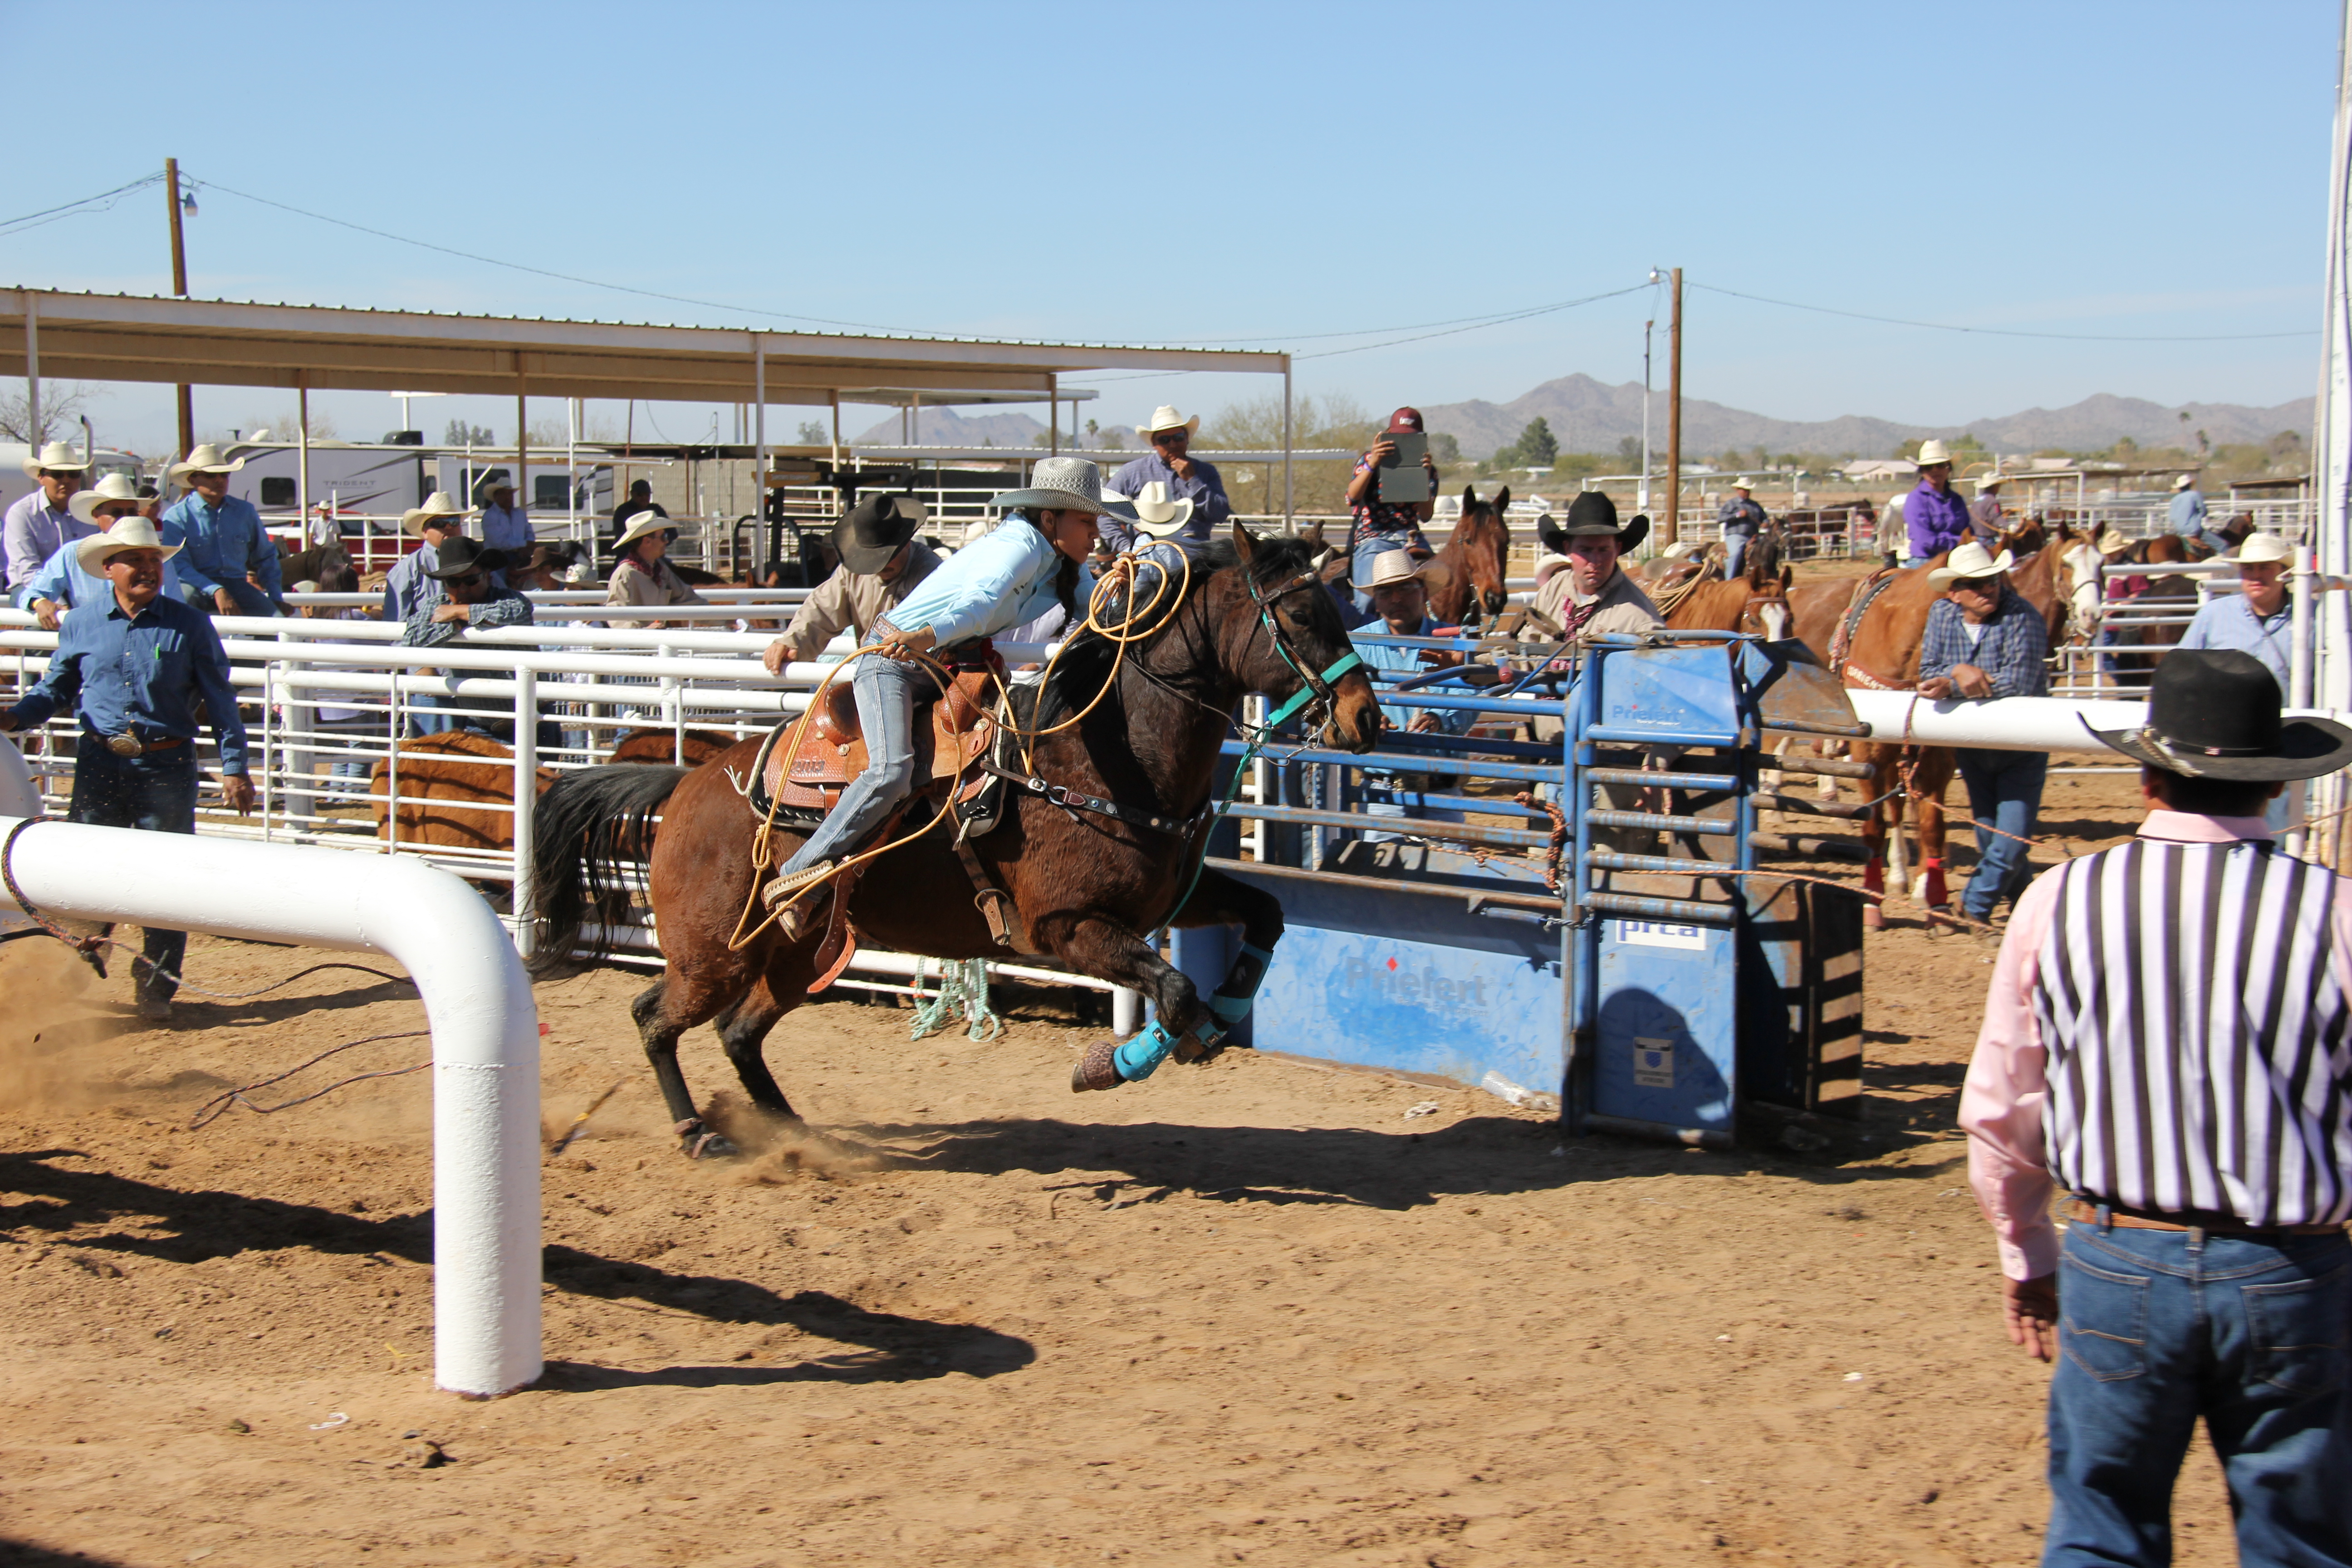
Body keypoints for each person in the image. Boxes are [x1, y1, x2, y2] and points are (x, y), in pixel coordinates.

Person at [1960, 647, 2352, 1568]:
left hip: (2118, 1252)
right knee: (2300, 1538)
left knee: (2103, 1526)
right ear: (2275, 787)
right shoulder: (2336, 913)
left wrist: (2026, 1248)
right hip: (2292, 1268)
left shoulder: (2061, 901)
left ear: (2147, 778)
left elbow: (2004, 1105)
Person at [761, 455, 1107, 939]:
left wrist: (1138, 584)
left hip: (938, 662)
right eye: (1087, 521)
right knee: (891, 770)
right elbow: (980, 602)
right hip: (894, 659)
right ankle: (797, 877)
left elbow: (1100, 606)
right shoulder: (1021, 546)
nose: (1096, 533)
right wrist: (928, 633)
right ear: (1051, 518)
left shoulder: (1061, 562)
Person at [0, 514, 256, 1021]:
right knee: (82, 873)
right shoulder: (81, 624)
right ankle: (75, 969)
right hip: (100, 760)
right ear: (109, 568)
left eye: (153, 560)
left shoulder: (190, 624)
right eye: (135, 560)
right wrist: (12, 716)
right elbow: (56, 690)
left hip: (166, 762)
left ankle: (157, 986)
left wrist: (234, 767)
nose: (147, 568)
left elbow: (219, 699)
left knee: (164, 880)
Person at [1918, 539, 2050, 924]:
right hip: (1973, 744)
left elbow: (2020, 681)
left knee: (2007, 839)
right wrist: (1957, 673)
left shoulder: (2024, 616)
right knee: (1994, 839)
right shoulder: (1942, 615)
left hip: (2022, 743)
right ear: (1955, 593)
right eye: (1976, 584)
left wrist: (1954, 680)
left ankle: (1973, 906)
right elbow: (1929, 670)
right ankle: (2026, 905)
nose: (1989, 589)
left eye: (1992, 580)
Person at [2177, 532, 2300, 836]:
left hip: (2284, 741)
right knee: (2216, 824)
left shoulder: (2310, 618)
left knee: (2278, 828)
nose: (2256, 576)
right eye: (2249, 569)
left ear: (2282, 572)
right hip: (2221, 741)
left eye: (2265, 568)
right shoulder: (2214, 615)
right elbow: (2182, 671)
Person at [760, 494, 940, 672]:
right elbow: (822, 609)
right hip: (871, 671)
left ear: (907, 543)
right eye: (873, 559)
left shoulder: (933, 574)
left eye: (888, 556)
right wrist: (791, 642)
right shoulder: (852, 574)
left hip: (923, 674)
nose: (882, 565)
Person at [398, 536, 536, 740]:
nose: (462, 589)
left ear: (488, 576)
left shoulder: (508, 598)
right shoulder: (438, 605)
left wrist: (461, 612)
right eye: (453, 582)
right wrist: (457, 622)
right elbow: (411, 638)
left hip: (531, 719)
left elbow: (520, 611)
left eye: (471, 580)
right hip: (479, 724)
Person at [20, 474, 185, 629]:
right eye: (117, 513)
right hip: (92, 641)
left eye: (132, 513)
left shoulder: (156, 555)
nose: (126, 518)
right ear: (96, 516)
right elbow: (32, 593)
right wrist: (40, 602)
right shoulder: (73, 553)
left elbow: (175, 606)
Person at [159, 443, 282, 617]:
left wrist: (276, 597)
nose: (219, 480)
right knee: (180, 614)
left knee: (277, 624)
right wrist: (216, 590)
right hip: (195, 586)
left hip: (237, 585)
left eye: (224, 475)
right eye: (211, 476)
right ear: (192, 480)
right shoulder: (177, 516)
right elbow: (179, 566)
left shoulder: (245, 511)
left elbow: (266, 556)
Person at [1531, 492, 1664, 640]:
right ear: (1568, 549)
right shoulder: (1553, 590)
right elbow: (1526, 645)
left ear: (1618, 549)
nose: (1595, 561)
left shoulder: (1640, 619)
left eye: (1604, 550)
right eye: (1585, 550)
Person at [1345, 407, 1441, 602]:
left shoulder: (1429, 471)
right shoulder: (1367, 460)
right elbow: (1351, 497)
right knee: (1366, 601)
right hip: (1373, 537)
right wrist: (1373, 464)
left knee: (1440, 592)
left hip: (1411, 538)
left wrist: (1422, 477)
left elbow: (1426, 515)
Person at [1107, 406, 1229, 551]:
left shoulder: (1206, 472)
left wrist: (1193, 480)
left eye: (1178, 438)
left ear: (1187, 439)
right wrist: (1127, 548)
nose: (1173, 444)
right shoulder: (1132, 472)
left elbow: (1220, 514)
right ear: (1154, 444)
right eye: (1164, 440)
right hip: (1148, 551)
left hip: (1197, 552)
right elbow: (1106, 513)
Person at [5, 440, 92, 595]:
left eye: (74, 474)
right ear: (41, 478)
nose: (66, 480)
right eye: (57, 475)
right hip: (30, 589)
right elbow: (26, 569)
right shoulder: (22, 514)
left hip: (81, 592)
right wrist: (58, 601)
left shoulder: (90, 512)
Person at [606, 510, 706, 629]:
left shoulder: (660, 569)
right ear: (647, 541)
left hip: (654, 641)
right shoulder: (625, 574)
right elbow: (617, 617)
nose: (667, 541)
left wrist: (723, 619)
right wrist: (644, 631)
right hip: (636, 645)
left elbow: (688, 599)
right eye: (663, 537)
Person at [381, 493, 470, 625]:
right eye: (439, 523)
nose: (449, 527)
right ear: (425, 531)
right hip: (428, 643)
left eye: (454, 521)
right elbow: (395, 625)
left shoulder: (478, 561)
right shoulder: (406, 570)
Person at [1902, 440, 1971, 566]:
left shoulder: (1957, 500)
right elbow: (1927, 541)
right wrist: (1962, 541)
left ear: (1948, 468)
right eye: (1928, 467)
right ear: (1922, 472)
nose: (1935, 470)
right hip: (1925, 562)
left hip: (1959, 559)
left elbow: (1968, 530)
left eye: (1940, 465)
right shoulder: (1916, 500)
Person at [2166, 471, 2227, 553]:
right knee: (2222, 545)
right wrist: (2198, 518)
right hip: (2194, 529)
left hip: (2179, 530)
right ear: (2190, 485)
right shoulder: (2195, 495)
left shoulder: (2175, 499)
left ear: (2179, 487)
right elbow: (2204, 511)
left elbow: (2172, 517)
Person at [1716, 478, 1767, 575]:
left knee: (1768, 550)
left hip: (1754, 537)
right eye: (1744, 490)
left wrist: (1766, 522)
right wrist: (1738, 515)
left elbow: (1764, 517)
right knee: (1735, 554)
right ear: (1738, 490)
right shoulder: (1731, 504)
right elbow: (1720, 519)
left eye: (1748, 490)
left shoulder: (1755, 505)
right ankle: (1729, 579)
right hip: (1736, 535)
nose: (1747, 492)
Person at [478, 480, 533, 558]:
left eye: (510, 493)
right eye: (503, 493)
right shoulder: (490, 516)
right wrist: (526, 544)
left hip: (520, 556)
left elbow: (529, 532)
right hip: (497, 558)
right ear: (496, 496)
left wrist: (528, 546)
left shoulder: (520, 514)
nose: (508, 497)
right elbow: (499, 543)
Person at [609, 479, 668, 550]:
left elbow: (672, 533)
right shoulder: (622, 511)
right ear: (632, 494)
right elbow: (621, 535)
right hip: (628, 552)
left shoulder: (656, 510)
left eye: (647, 495)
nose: (644, 498)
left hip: (653, 554)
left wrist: (660, 545)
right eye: (640, 495)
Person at [1969, 471, 2008, 547]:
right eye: (1999, 486)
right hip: (1987, 539)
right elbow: (1996, 518)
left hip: (1975, 537)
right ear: (1995, 486)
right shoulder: (1993, 501)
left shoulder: (1977, 500)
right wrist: (2008, 526)